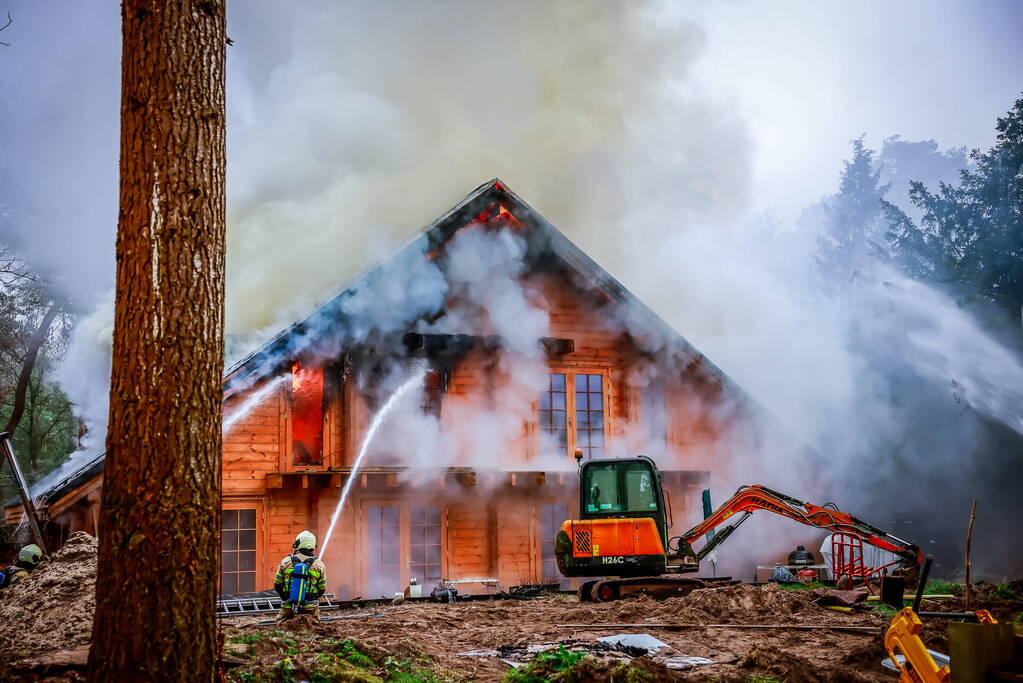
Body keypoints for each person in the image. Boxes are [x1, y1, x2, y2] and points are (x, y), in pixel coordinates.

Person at [274, 530, 326, 621]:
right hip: (311, 607)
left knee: (282, 626)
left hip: (288, 606)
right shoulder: (319, 565)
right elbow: (322, 588)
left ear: (297, 544)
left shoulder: (285, 562)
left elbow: (277, 584)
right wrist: (311, 598)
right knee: (312, 626)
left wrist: (286, 598)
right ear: (313, 546)